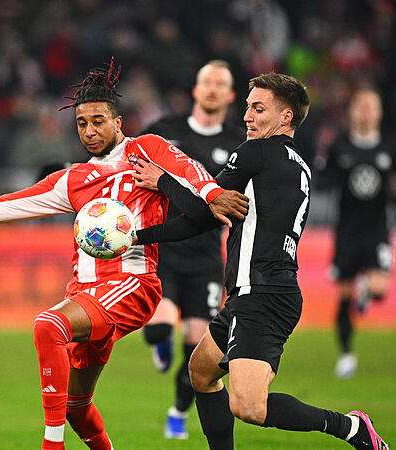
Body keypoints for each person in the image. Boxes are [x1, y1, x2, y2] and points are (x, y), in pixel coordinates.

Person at [0, 59, 248, 450]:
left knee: (47, 326)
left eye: (99, 121)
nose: (90, 130)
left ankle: (52, 445)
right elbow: (1, 206)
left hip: (131, 285)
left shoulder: (147, 150)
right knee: (76, 405)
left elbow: (198, 179)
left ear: (118, 122)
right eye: (82, 123)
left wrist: (217, 196)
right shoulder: (71, 180)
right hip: (84, 291)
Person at [132, 73, 389, 449]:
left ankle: (349, 427)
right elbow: (210, 215)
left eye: (258, 108)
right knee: (202, 371)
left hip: (263, 296)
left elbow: (205, 211)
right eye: (248, 108)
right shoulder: (297, 164)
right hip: (258, 293)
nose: (247, 117)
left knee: (249, 406)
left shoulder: (255, 154)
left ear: (286, 116)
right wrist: (139, 237)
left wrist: (163, 182)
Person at [138, 59, 245, 439]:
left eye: (221, 84)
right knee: (158, 330)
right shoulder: (164, 131)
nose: (213, 89)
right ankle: (159, 342)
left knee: (199, 349)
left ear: (231, 96)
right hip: (165, 249)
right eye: (207, 82)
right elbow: (130, 165)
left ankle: (178, 411)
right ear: (196, 90)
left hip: (205, 260)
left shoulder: (237, 145)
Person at [316, 88, 396, 378]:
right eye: (361, 106)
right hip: (347, 230)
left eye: (372, 106)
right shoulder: (339, 145)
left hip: (378, 227)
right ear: (352, 112)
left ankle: (368, 291)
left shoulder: (391, 145)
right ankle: (345, 354)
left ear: (379, 113)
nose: (366, 112)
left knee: (379, 289)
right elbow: (325, 178)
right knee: (344, 294)